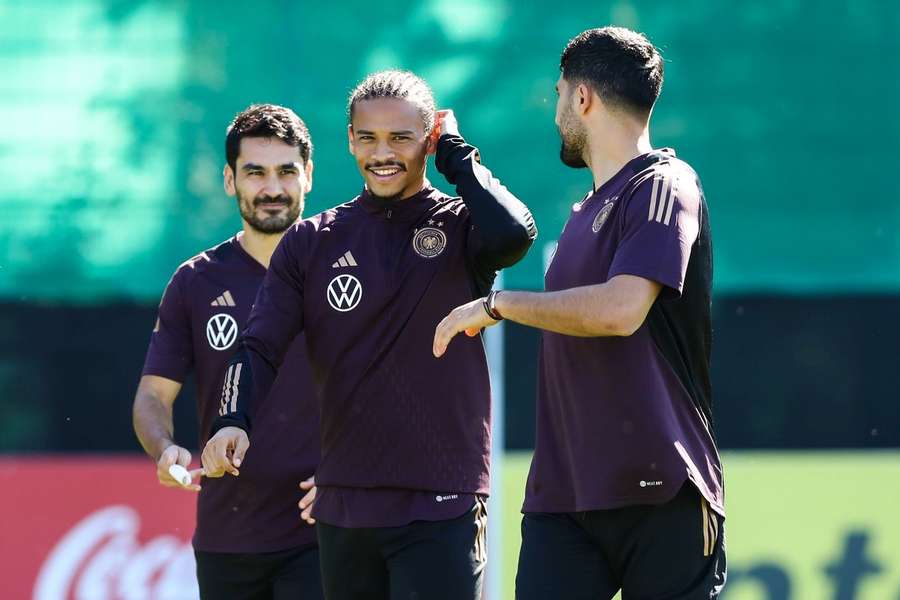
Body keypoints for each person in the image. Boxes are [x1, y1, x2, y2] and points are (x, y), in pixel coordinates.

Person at [201, 70, 536, 600]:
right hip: (345, 507)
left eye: (402, 138)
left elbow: (515, 233)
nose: (383, 152)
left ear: (428, 140)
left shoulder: (460, 227)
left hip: (440, 499)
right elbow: (259, 344)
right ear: (351, 140)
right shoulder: (310, 242)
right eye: (369, 137)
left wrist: (456, 154)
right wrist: (231, 419)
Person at [433, 27, 726, 599]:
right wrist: (456, 156)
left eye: (558, 93)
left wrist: (501, 305)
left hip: (660, 488)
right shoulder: (584, 210)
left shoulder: (665, 184)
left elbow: (621, 310)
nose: (556, 109)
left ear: (582, 98)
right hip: (563, 497)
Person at [133, 104, 322, 600]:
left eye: (286, 171)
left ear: (309, 175)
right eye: (255, 172)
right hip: (228, 538)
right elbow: (153, 395)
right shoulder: (195, 281)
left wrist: (352, 474)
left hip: (327, 529)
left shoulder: (343, 269)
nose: (272, 188)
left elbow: (391, 388)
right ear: (229, 179)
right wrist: (165, 448)